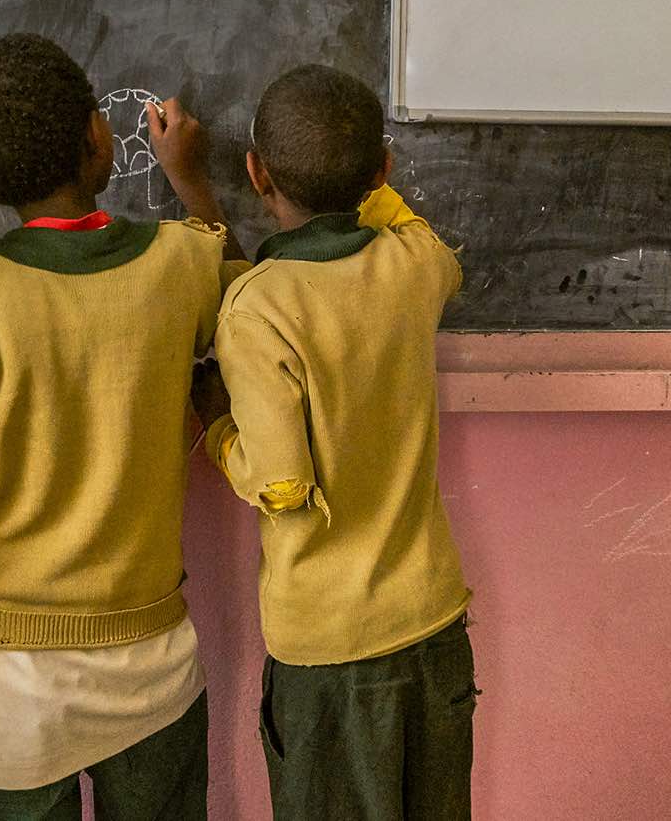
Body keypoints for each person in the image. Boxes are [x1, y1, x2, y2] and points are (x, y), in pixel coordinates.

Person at [0, 32, 241, 820]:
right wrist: (193, 183)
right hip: (149, 662)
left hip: (8, 680)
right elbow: (248, 298)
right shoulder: (178, 264)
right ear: (99, 135)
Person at [193, 64, 478, 820]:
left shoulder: (257, 309)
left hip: (329, 649)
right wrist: (371, 183)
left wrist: (218, 429)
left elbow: (283, 485)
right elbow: (415, 230)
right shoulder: (415, 263)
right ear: (382, 170)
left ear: (256, 174)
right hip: (431, 623)